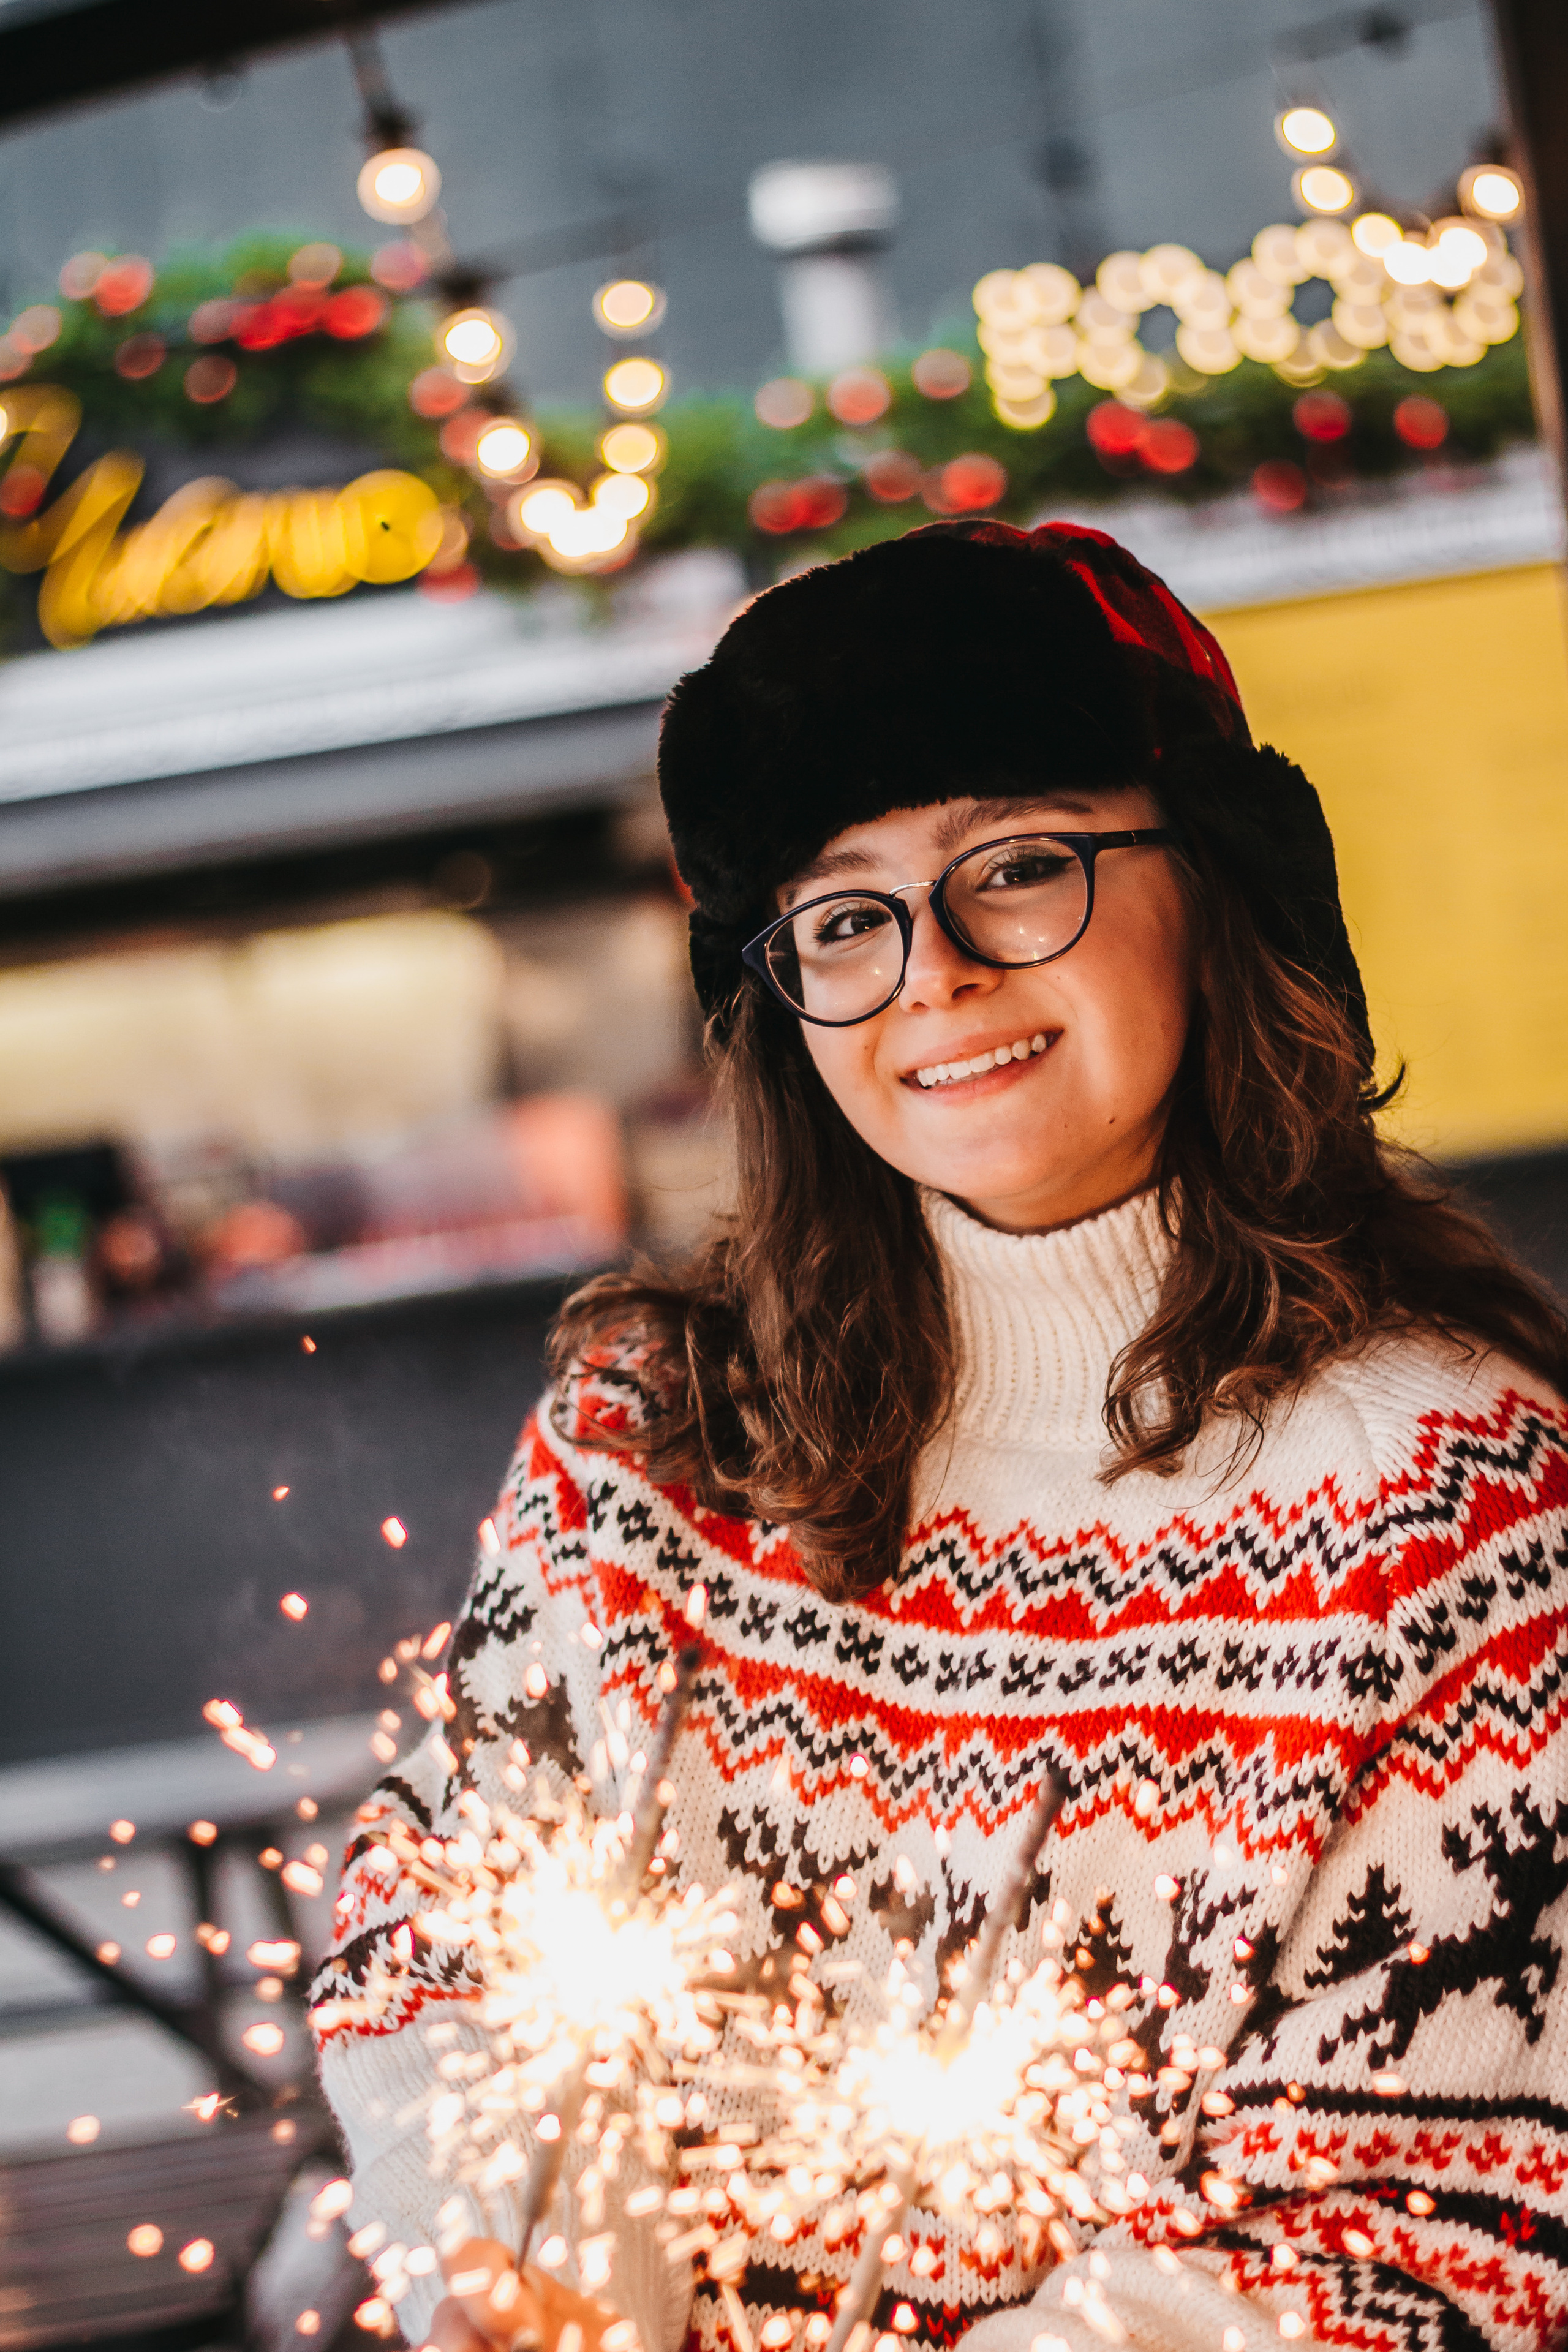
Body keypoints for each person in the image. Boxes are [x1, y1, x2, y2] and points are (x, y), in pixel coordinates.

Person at [314, 522, 1568, 2352]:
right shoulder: (647, 1440)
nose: (938, 973)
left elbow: (1429, 2224)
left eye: (1017, 866)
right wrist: (547, 2293)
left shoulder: (1453, 1504)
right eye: (844, 915)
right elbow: (443, 1928)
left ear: (1215, 885)